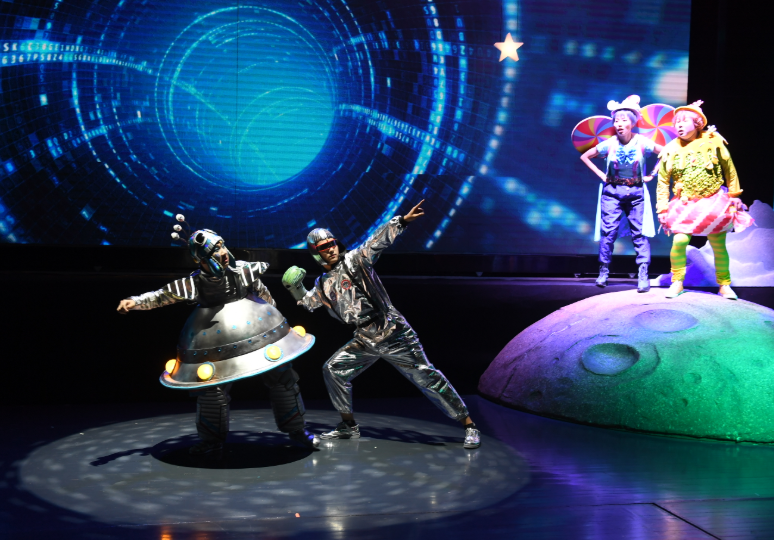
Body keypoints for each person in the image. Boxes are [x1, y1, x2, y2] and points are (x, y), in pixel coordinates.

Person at [281, 200, 481, 449]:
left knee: (427, 377)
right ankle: (348, 425)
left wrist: (401, 221)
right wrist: (294, 288)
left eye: (332, 243)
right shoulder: (322, 283)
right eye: (323, 247)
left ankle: (469, 425)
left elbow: (376, 241)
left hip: (393, 331)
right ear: (315, 252)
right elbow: (309, 302)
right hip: (365, 338)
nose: (330, 248)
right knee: (333, 370)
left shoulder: (356, 260)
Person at [117, 224, 319, 455]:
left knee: (284, 378)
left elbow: (263, 293)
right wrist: (135, 301)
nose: (222, 253)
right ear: (201, 259)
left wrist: (273, 319)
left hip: (260, 330)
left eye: (222, 246)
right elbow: (162, 296)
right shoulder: (195, 283)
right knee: (211, 390)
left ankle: (297, 429)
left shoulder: (243, 270)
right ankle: (211, 440)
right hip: (214, 341)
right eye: (215, 251)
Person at [656, 101, 753, 299]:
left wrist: (734, 194)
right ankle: (677, 281)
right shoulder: (671, 148)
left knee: (718, 244)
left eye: (684, 121)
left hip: (713, 201)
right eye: (677, 122)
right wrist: (662, 208)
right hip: (685, 203)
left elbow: (729, 169)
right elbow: (663, 181)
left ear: (697, 123)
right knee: (679, 241)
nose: (679, 125)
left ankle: (724, 284)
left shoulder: (713, 141)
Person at [580, 95, 663, 292]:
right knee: (608, 233)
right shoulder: (609, 143)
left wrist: (653, 174)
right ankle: (603, 271)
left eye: (624, 120)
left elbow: (666, 152)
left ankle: (643, 273)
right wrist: (602, 175)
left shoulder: (642, 142)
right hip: (612, 192)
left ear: (632, 123)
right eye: (616, 120)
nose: (619, 124)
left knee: (639, 233)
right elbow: (585, 156)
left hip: (636, 192)